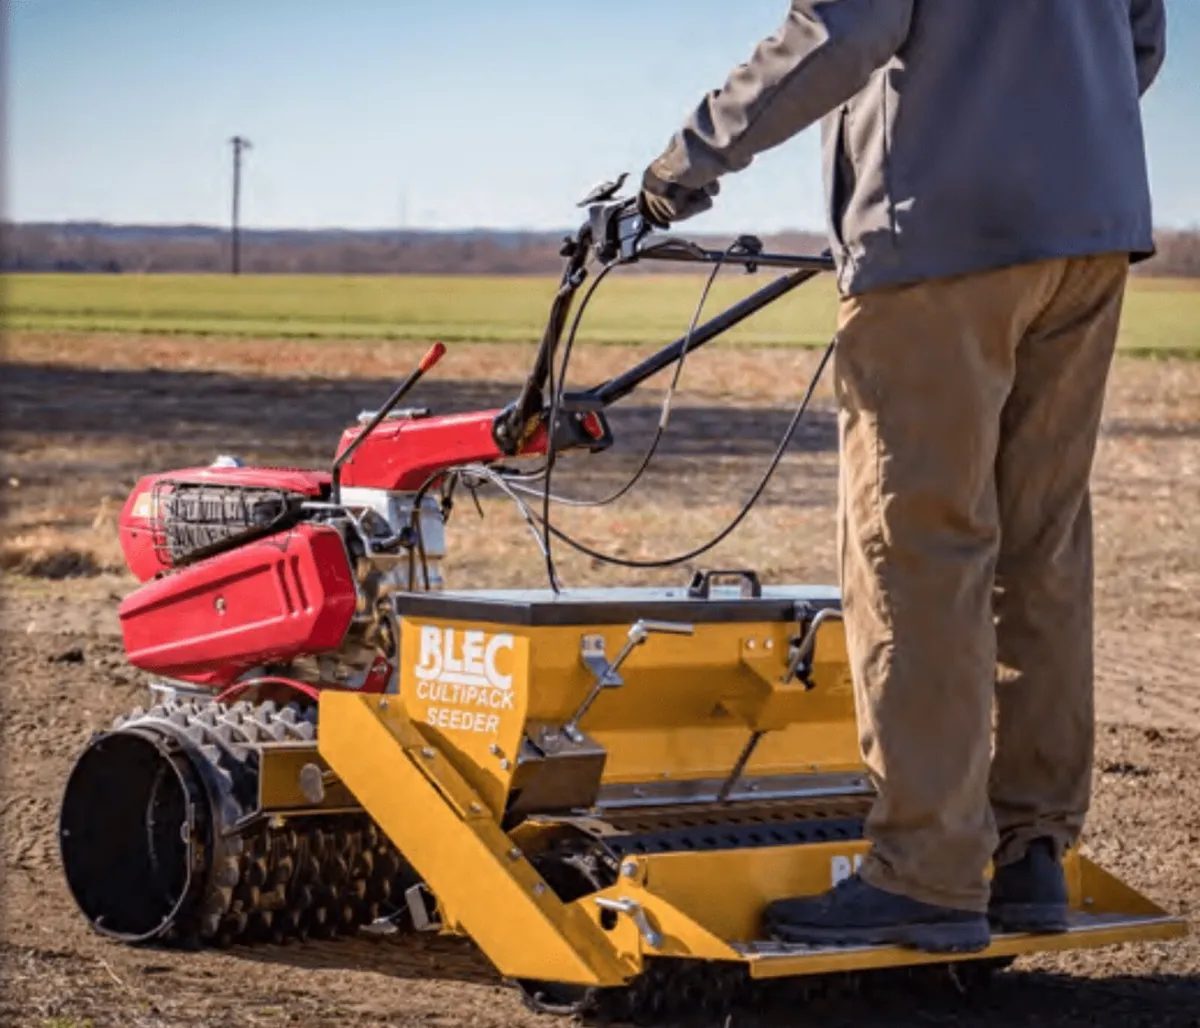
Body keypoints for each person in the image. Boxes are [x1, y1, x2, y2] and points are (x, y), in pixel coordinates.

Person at [636, 0, 1167, 954]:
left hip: (938, 236)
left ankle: (926, 874)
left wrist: (688, 159)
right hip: (1091, 226)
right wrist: (1047, 130)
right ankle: (1031, 852)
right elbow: (1141, 40)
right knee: (1042, 547)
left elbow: (841, 29)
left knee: (919, 551)